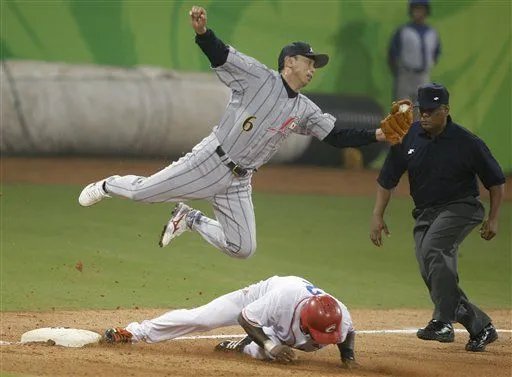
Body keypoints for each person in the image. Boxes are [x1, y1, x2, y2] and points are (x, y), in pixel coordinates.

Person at [79, 6, 409, 259]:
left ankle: (189, 219)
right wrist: (203, 32)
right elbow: (222, 55)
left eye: (315, 64)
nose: (313, 68)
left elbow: (336, 133)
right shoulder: (257, 78)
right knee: (142, 194)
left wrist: (378, 134)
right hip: (210, 161)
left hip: (239, 181)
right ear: (289, 61)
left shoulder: (304, 108)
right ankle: (108, 184)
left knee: (242, 248)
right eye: (309, 62)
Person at [369, 83, 505, 352]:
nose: (426, 115)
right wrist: (377, 215)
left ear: (446, 110)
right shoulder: (407, 137)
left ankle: (443, 322)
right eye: (423, 110)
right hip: (425, 213)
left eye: (432, 110)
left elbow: (496, 182)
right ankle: (481, 326)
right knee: (432, 270)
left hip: (461, 208)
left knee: (434, 249)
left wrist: (493, 218)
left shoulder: (467, 142)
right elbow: (387, 179)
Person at [103, 275, 357, 367]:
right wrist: (272, 344)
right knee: (203, 319)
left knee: (264, 356)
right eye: (317, 333)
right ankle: (134, 332)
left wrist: (348, 359)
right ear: (305, 319)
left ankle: (241, 347)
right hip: (257, 301)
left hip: (278, 321)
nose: (320, 339)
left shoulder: (339, 315)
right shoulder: (282, 298)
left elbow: (348, 335)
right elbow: (245, 317)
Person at [388, 0, 441, 102]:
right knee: (403, 110)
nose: (419, 12)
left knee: (421, 110)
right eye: (416, 9)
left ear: (426, 11)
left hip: (423, 76)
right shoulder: (403, 31)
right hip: (406, 75)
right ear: (411, 11)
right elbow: (392, 54)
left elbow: (436, 53)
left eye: (422, 9)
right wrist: (397, 73)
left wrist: (429, 66)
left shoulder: (432, 33)